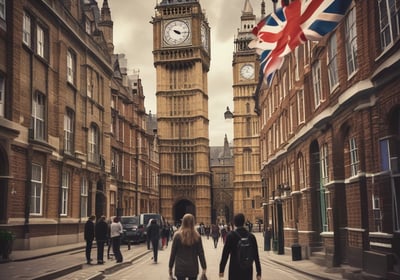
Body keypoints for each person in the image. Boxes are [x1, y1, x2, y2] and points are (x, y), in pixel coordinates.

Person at [219, 213, 261, 280]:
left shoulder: (230, 236)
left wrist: (221, 269)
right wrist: (259, 272)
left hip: (234, 269)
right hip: (247, 269)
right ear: (244, 222)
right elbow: (256, 255)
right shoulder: (251, 237)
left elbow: (225, 254)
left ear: (234, 223)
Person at [168, 213, 207, 280]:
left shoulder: (177, 235)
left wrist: (170, 267)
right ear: (193, 222)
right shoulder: (197, 236)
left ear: (183, 222)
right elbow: (201, 253)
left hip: (180, 268)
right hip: (193, 268)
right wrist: (204, 267)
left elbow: (173, 253)